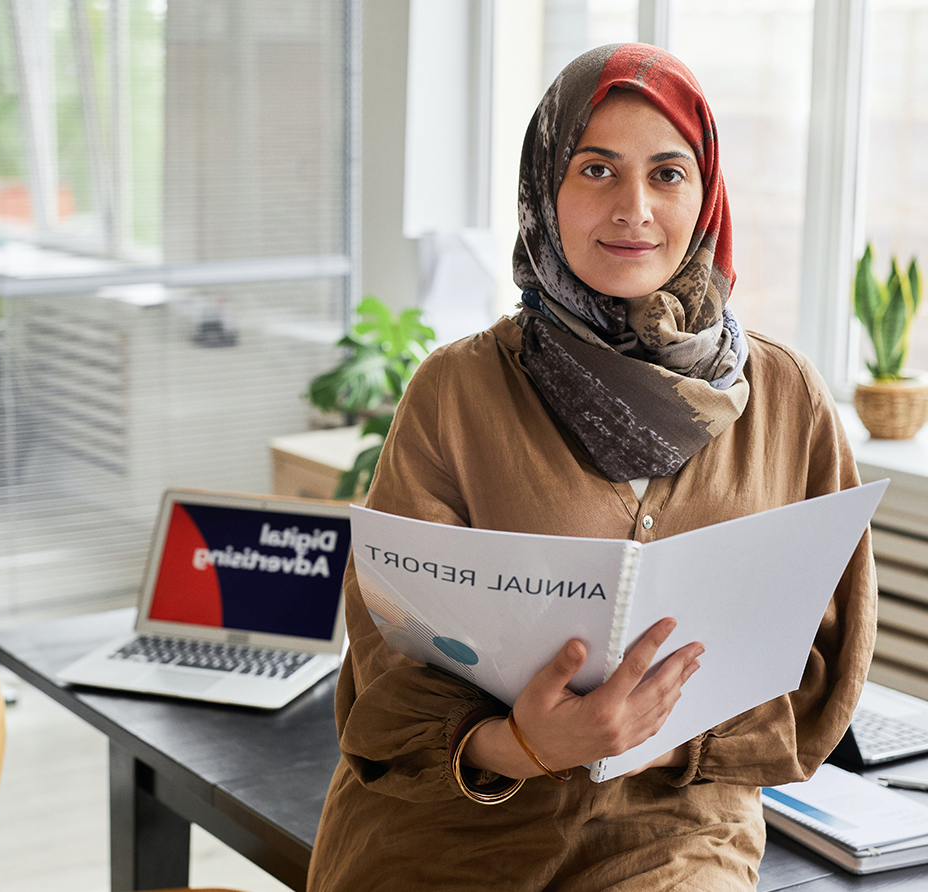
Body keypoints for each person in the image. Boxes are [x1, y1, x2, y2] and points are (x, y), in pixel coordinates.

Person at [306, 43, 876, 891]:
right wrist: (529, 744)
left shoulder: (786, 397)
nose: (634, 208)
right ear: (546, 188)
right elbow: (384, 672)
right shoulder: (456, 389)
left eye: (668, 174)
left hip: (673, 836)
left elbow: (827, 666)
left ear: (705, 193)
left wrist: (664, 728)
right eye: (597, 169)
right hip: (452, 831)